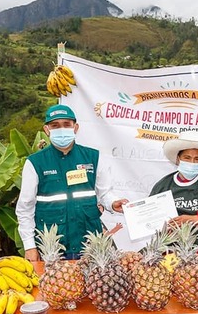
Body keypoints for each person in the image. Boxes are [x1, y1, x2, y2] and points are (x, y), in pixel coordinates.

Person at [16, 104, 128, 261]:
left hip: (89, 246)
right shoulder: (35, 163)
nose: (61, 129)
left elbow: (104, 192)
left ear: (75, 128)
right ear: (47, 130)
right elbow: (25, 208)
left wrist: (113, 203)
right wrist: (29, 246)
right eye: (55, 125)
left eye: (66, 124)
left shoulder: (93, 157)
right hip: (51, 251)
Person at [149, 131, 198, 255]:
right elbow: (150, 215)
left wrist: (194, 219)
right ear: (178, 159)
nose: (192, 162)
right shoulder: (163, 185)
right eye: (187, 157)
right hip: (171, 250)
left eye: (197, 159)